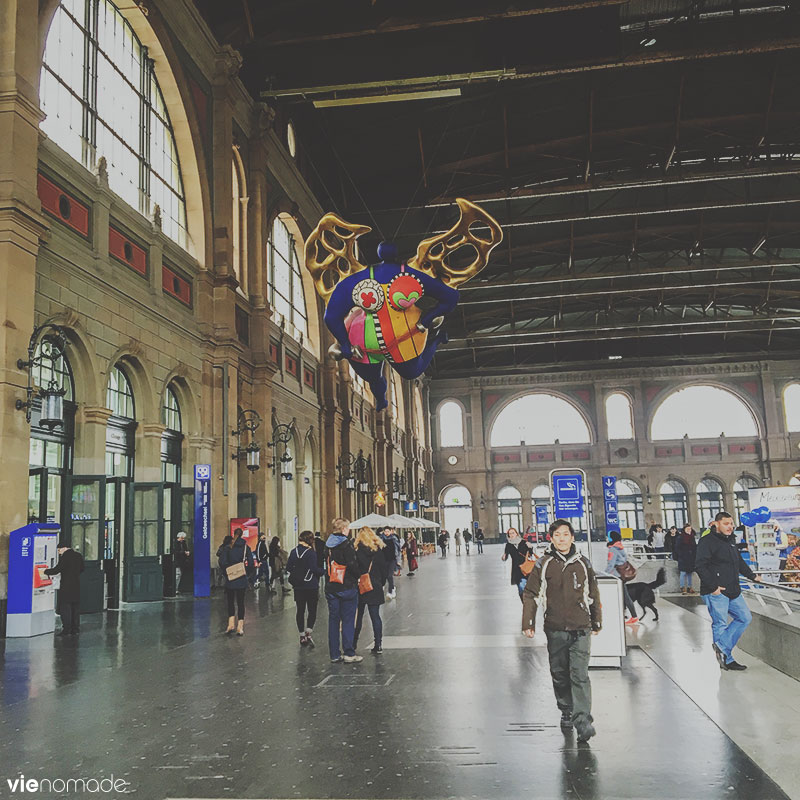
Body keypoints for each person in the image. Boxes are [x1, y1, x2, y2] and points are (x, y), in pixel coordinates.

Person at [522, 519, 602, 743]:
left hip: (580, 627)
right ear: (551, 538)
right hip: (555, 627)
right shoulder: (544, 563)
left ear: (572, 537)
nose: (561, 538)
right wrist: (528, 623)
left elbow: (593, 593)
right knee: (560, 673)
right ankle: (566, 708)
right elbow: (530, 593)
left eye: (565, 534)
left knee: (580, 674)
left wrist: (596, 621)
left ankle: (583, 720)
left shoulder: (583, 564)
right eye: (557, 535)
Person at [695, 511, 758, 671]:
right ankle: (726, 659)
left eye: (731, 524)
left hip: (733, 590)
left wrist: (751, 575)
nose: (730, 527)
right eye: (726, 523)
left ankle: (722, 647)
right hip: (716, 591)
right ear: (716, 524)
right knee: (720, 624)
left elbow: (739, 561)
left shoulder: (731, 541)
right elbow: (700, 565)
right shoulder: (706, 541)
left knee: (744, 617)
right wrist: (713, 587)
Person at [324, 517, 363, 663]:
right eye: (347, 528)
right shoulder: (346, 544)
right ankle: (349, 653)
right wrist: (358, 575)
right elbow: (352, 564)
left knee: (333, 620)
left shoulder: (327, 545)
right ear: (343, 529)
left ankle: (334, 654)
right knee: (347, 620)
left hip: (331, 587)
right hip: (347, 586)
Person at [286, 530, 325, 646]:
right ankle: (308, 631)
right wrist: (323, 571)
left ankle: (301, 635)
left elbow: (288, 567)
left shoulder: (294, 552)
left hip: (298, 586)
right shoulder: (311, 553)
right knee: (312, 610)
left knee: (300, 610)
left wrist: (297, 573)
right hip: (311, 585)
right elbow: (314, 569)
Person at [353, 526, 388, 654]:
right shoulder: (377, 550)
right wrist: (381, 582)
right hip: (375, 585)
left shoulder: (356, 550)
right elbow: (384, 569)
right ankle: (378, 644)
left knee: (358, 616)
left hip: (360, 585)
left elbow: (354, 568)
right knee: (375, 616)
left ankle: (353, 643)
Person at [218, 527, 255, 635]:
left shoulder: (228, 547)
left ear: (233, 534)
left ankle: (230, 624)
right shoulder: (245, 547)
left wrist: (227, 573)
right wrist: (246, 573)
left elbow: (222, 562)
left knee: (230, 602)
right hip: (241, 579)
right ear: (242, 535)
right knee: (241, 602)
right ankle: (240, 626)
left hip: (230, 579)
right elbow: (251, 563)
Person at [44, 541, 85, 636]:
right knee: (75, 608)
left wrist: (45, 571)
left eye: (59, 550)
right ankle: (75, 628)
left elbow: (57, 569)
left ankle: (67, 629)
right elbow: (82, 568)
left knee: (65, 608)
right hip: (76, 584)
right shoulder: (78, 555)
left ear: (65, 548)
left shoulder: (65, 557)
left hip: (66, 585)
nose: (58, 552)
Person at [605, 531, 639, 624]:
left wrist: (604, 575)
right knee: (624, 596)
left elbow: (610, 564)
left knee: (625, 597)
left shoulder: (612, 549)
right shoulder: (620, 547)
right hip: (622, 575)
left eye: (608, 537)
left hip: (616, 576)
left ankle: (634, 616)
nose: (607, 538)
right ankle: (627, 615)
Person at [502, 528, 526, 602]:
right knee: (520, 588)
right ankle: (525, 603)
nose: (512, 535)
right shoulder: (508, 545)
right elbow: (506, 556)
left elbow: (530, 553)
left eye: (513, 533)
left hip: (525, 567)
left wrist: (530, 547)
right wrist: (504, 557)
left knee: (524, 585)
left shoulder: (523, 542)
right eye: (510, 534)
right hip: (516, 569)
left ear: (516, 533)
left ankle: (527, 603)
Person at [674, 523, 698, 594]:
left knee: (690, 573)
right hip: (683, 558)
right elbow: (677, 548)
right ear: (684, 530)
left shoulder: (692, 537)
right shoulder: (680, 537)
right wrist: (681, 554)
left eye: (690, 529)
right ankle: (682, 587)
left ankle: (690, 587)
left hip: (691, 558)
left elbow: (694, 547)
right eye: (687, 529)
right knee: (683, 573)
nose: (689, 530)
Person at [379, 527, 399, 599]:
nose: (387, 533)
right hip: (384, 560)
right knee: (384, 576)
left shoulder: (394, 539)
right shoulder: (381, 539)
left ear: (391, 531)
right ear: (383, 532)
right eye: (385, 531)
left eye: (388, 531)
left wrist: (398, 560)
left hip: (392, 560)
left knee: (390, 575)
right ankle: (392, 587)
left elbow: (398, 550)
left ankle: (390, 592)